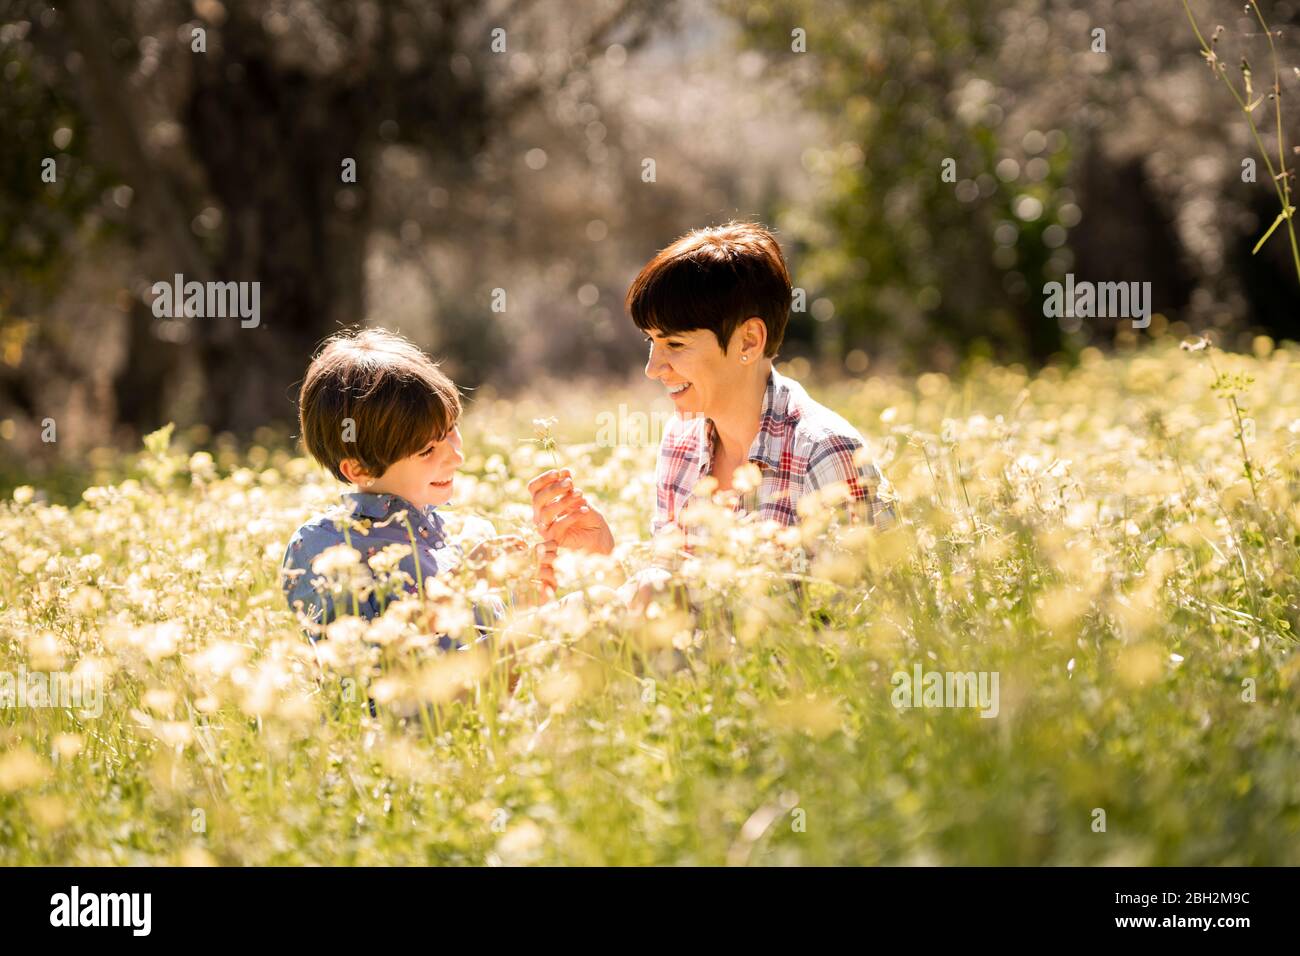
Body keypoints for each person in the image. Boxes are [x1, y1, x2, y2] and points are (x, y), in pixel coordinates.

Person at [528, 221, 895, 572]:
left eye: (674, 343)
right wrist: (604, 557)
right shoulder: (681, 440)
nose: (652, 369)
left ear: (749, 340)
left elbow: (874, 623)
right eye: (651, 342)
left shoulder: (825, 453)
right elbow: (672, 613)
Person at [280, 327, 556, 642]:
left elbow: (508, 637)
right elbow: (359, 666)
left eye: (451, 430)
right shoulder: (324, 546)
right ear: (360, 468)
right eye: (427, 450)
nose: (456, 458)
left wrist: (532, 595)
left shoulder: (469, 534)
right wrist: (460, 582)